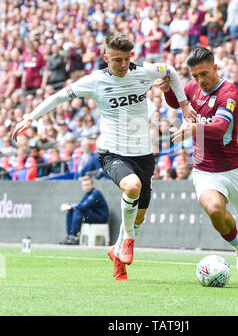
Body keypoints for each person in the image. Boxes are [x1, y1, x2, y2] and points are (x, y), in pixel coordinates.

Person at [12, 32, 196, 280]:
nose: (123, 65)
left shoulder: (144, 71)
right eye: (117, 59)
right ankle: (128, 240)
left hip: (143, 154)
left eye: (127, 59)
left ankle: (117, 251)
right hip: (112, 152)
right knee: (131, 187)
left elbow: (171, 71)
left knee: (138, 216)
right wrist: (30, 117)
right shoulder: (94, 81)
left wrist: (184, 104)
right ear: (105, 57)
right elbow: (58, 96)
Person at [157, 46, 238, 283]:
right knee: (214, 208)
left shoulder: (229, 92)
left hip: (234, 168)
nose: (199, 81)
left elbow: (220, 128)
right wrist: (166, 90)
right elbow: (176, 100)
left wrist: (194, 128)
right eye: (195, 76)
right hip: (204, 168)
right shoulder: (193, 87)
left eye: (204, 74)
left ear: (215, 67)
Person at [59, 176, 109, 245]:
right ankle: (69, 236)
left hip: (100, 218)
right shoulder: (86, 194)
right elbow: (79, 204)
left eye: (87, 185)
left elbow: (84, 206)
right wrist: (69, 205)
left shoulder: (96, 193)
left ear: (92, 184)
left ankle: (74, 237)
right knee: (70, 210)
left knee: (77, 210)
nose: (86, 187)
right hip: (91, 216)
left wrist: (70, 205)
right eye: (84, 185)